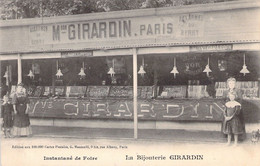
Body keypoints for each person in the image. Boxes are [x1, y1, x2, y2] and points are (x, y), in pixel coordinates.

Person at [222, 77, 245, 146]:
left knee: (236, 127)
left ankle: (236, 141)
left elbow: (240, 100)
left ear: (235, 84)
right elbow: (223, 100)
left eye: (233, 83)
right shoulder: (225, 91)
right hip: (228, 110)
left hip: (235, 111)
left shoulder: (238, 91)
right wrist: (226, 105)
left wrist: (236, 106)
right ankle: (228, 141)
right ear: (228, 84)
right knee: (228, 127)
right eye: (230, 83)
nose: (231, 84)